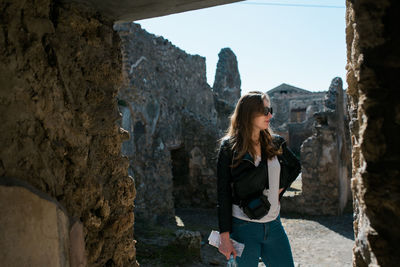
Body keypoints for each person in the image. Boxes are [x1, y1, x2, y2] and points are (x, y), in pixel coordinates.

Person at [216, 91, 300, 267]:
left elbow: (295, 167)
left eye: (270, 109)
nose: (270, 114)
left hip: (275, 226)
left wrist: (279, 190)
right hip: (243, 228)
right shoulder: (229, 148)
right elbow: (223, 193)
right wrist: (225, 237)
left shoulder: (275, 142)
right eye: (264, 110)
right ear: (248, 113)